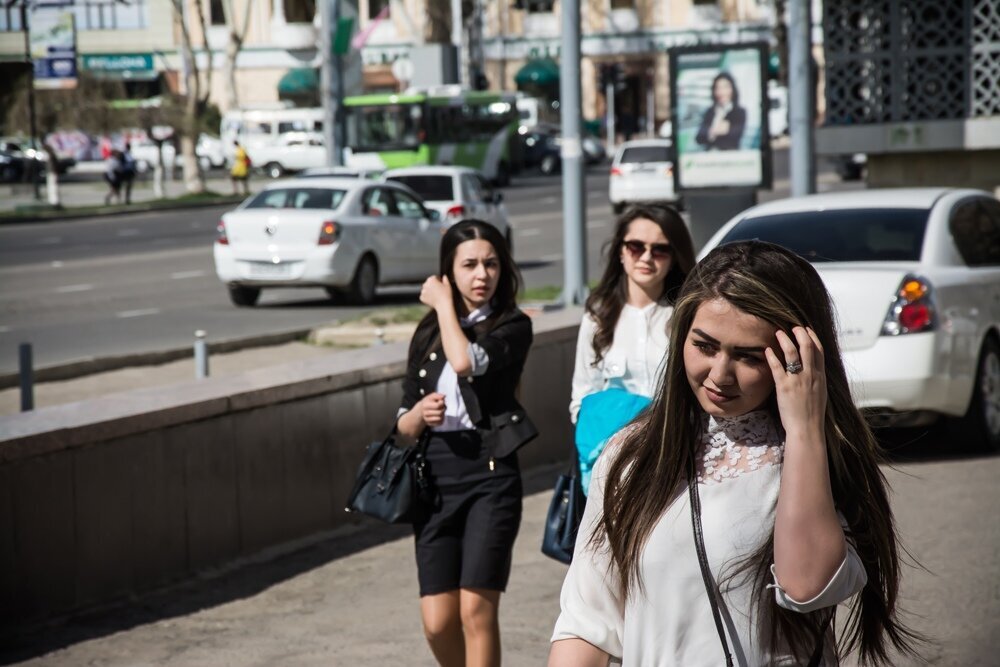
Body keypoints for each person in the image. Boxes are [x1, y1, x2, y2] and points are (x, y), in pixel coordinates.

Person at [549, 241, 920, 666]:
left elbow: (807, 586)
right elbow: (587, 622)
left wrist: (803, 431)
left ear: (796, 356)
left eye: (748, 356)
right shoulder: (629, 457)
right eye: (705, 346)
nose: (720, 375)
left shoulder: (819, 458)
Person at [395, 219, 538, 667]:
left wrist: (441, 304)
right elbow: (402, 421)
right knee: (437, 621)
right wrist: (418, 416)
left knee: (476, 609)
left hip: (490, 473)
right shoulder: (427, 333)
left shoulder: (512, 325)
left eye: (491, 264)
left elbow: (465, 362)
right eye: (470, 264)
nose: (482, 275)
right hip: (435, 476)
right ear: (450, 270)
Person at [570, 205, 696, 491]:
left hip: (676, 463)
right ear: (621, 251)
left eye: (660, 249)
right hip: (612, 468)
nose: (647, 257)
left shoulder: (686, 316)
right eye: (636, 246)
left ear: (675, 257)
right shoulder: (597, 317)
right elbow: (582, 397)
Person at [695, 71, 747, 151]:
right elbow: (699, 138)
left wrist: (717, 130)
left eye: (725, 87)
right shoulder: (709, 112)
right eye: (718, 88)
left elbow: (736, 134)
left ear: (732, 89)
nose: (721, 92)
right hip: (709, 158)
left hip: (730, 158)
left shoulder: (739, 112)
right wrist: (714, 130)